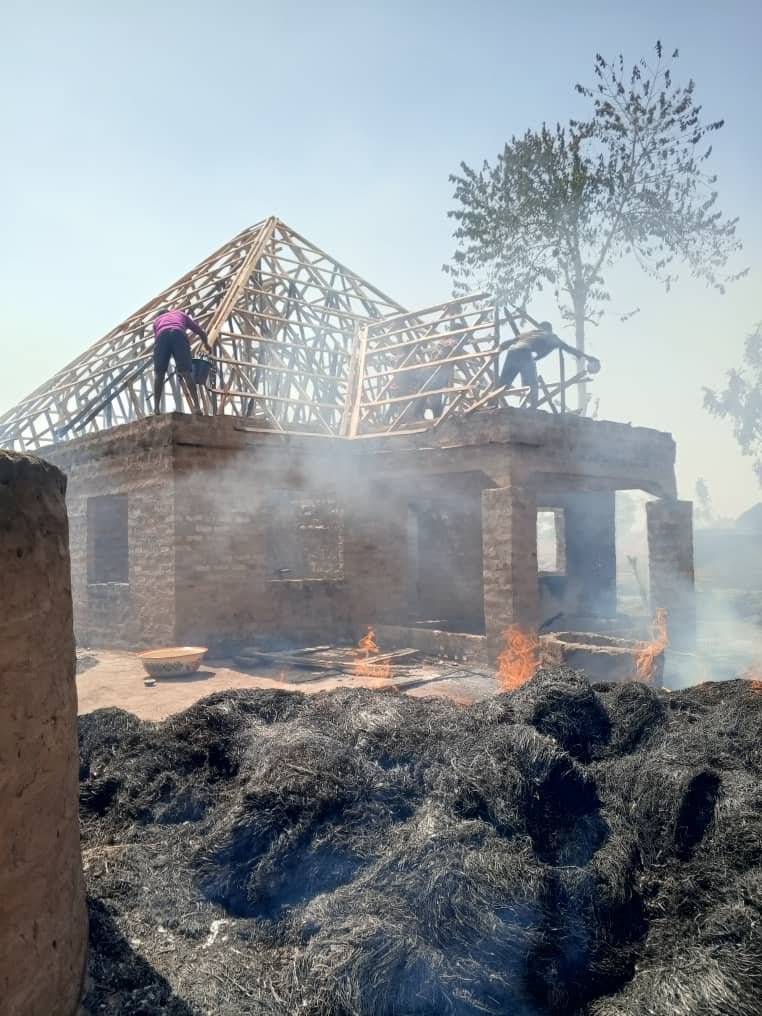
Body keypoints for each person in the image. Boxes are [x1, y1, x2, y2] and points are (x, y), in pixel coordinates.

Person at [498, 320, 600, 409]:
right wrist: (587, 357)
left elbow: (508, 343)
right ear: (550, 329)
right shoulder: (551, 337)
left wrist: (498, 349)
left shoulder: (530, 333)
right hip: (525, 352)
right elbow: (568, 348)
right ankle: (532, 410)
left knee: (503, 384)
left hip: (512, 352)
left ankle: (491, 403)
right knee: (532, 386)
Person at [152, 308, 211, 416]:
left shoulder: (156, 321)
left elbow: (157, 340)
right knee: (186, 373)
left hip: (161, 338)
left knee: (159, 374)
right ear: (169, 312)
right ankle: (197, 407)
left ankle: (156, 408)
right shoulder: (180, 314)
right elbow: (198, 330)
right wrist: (206, 343)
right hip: (178, 335)